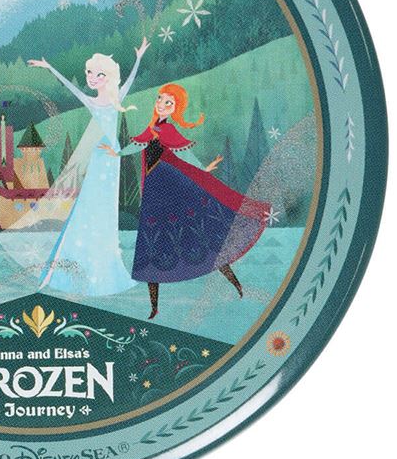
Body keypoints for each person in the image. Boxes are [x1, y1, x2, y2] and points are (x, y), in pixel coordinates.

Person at [100, 82, 270, 319]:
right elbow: (137, 145)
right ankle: (154, 306)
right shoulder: (152, 128)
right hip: (155, 193)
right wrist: (116, 153)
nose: (162, 104)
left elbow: (184, 154)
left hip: (173, 188)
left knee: (204, 236)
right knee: (153, 242)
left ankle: (235, 283)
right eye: (160, 99)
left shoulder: (168, 130)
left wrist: (203, 168)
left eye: (168, 103)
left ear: (175, 109)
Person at [27, 39, 149, 295]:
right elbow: (71, 87)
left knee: (106, 212)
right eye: (89, 73)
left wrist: (138, 58)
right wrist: (50, 67)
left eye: (98, 74)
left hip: (111, 159)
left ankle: (104, 265)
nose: (92, 78)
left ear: (109, 77)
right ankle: (75, 261)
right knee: (87, 205)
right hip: (98, 158)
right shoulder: (91, 101)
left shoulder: (116, 99)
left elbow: (129, 81)